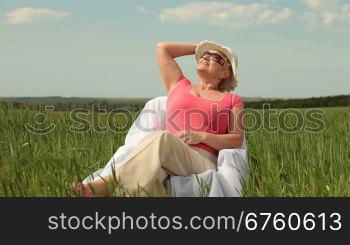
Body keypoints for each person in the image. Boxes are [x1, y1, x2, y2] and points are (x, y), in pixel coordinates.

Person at [73, 40, 244, 197]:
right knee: (148, 179)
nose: (206, 57)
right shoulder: (179, 85)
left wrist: (202, 136)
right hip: (164, 153)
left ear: (225, 72)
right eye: (204, 55)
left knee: (160, 137)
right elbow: (162, 49)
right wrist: (200, 47)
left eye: (215, 57)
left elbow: (236, 139)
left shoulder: (232, 100)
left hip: (201, 160)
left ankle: (104, 186)